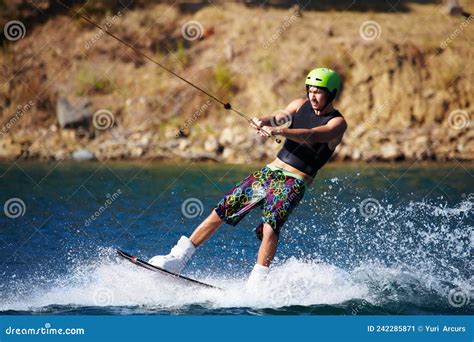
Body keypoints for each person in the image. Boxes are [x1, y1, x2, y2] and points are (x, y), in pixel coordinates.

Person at [149, 68, 348, 285]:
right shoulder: (299, 104)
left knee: (270, 227)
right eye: (310, 90)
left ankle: (257, 282)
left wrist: (281, 131)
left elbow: (313, 136)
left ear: (332, 93)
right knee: (220, 211)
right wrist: (262, 121)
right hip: (269, 172)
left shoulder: (337, 123)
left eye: (319, 92)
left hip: (294, 181)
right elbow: (279, 116)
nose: (313, 96)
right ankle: (178, 258)